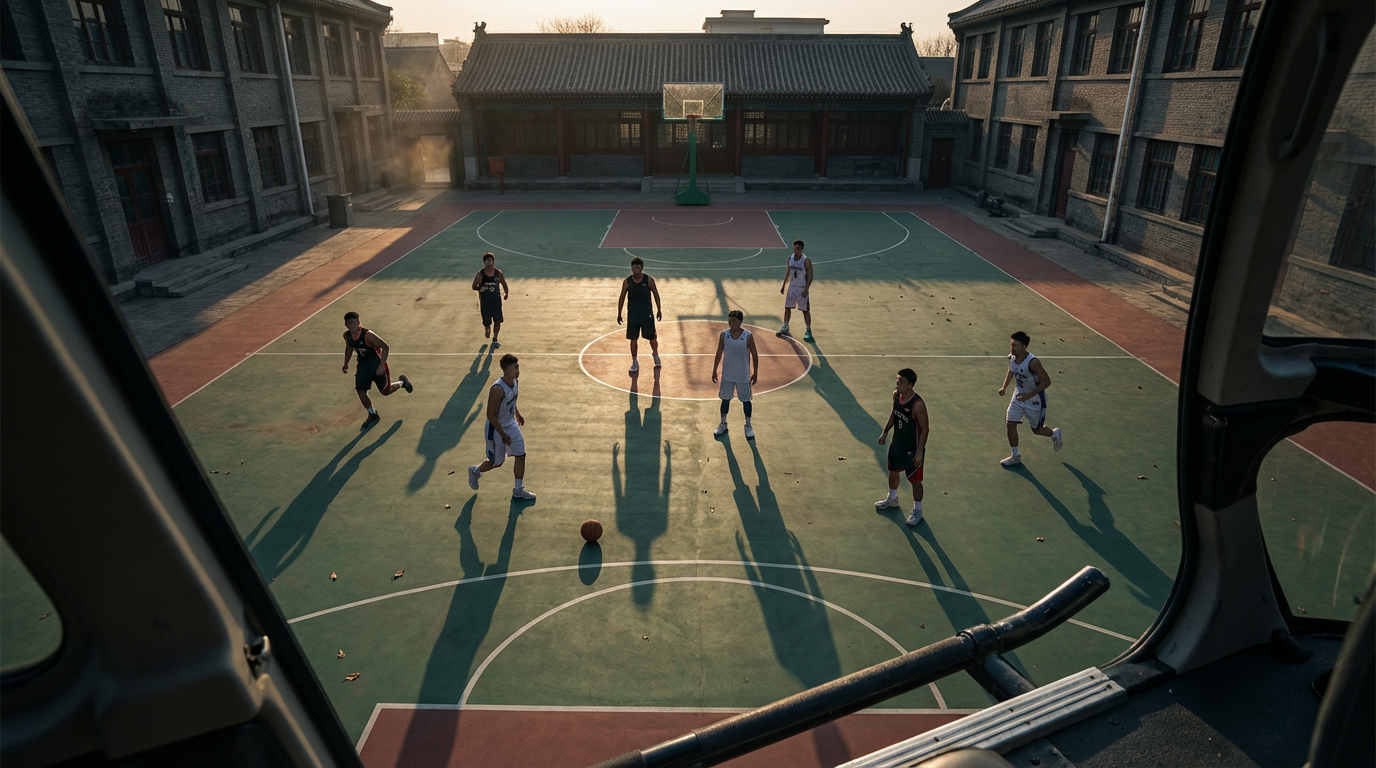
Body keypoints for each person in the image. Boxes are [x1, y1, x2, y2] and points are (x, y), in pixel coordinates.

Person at [468, 354, 536, 500]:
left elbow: (511, 400)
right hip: (496, 428)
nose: (517, 370)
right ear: (505, 370)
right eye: (514, 368)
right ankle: (475, 471)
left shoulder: (515, 382)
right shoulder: (497, 389)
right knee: (496, 462)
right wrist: (503, 435)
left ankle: (518, 489)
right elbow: (490, 415)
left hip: (510, 424)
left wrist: (517, 414)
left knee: (521, 454)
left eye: (518, 367)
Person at [998, 331, 1062, 466]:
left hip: (1035, 401)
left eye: (1015, 345)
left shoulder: (1033, 363)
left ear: (1024, 347)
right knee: (1010, 423)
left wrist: (1028, 396)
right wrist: (1004, 387)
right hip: (1018, 397)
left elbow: (1047, 382)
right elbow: (1011, 371)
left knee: (1037, 430)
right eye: (1011, 345)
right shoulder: (1012, 358)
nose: (1012, 348)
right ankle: (1015, 455)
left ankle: (1054, 434)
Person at [876, 368, 929, 525]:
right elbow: (894, 413)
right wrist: (885, 431)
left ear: (910, 385)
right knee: (893, 471)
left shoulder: (918, 405)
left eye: (901, 381)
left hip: (912, 449)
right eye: (897, 379)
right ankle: (892, 499)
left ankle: (917, 510)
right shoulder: (896, 396)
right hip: (897, 444)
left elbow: (925, 428)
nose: (897, 383)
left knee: (914, 480)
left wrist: (920, 452)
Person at [341, 311, 412, 428]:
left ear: (358, 322)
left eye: (354, 323)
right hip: (363, 367)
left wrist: (382, 365)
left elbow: (385, 347)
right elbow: (349, 348)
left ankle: (402, 382)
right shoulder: (347, 336)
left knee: (386, 391)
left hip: (377, 365)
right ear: (346, 325)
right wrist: (346, 364)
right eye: (349, 324)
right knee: (360, 390)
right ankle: (372, 414)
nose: (352, 326)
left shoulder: (368, 335)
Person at [711, 310, 760, 439]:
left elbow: (755, 355)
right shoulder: (724, 335)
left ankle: (748, 425)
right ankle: (723, 423)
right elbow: (719, 352)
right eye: (729, 320)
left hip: (743, 375)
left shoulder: (748, 336)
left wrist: (755, 372)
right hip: (727, 375)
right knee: (725, 399)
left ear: (740, 321)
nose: (731, 323)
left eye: (734, 321)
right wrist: (714, 369)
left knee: (746, 401)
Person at [616, 256, 663, 375]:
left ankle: (655, 354)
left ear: (642, 268)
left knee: (652, 338)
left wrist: (659, 309)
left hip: (647, 315)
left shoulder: (649, 280)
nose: (636, 270)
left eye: (638, 268)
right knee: (633, 339)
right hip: (633, 315)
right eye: (634, 268)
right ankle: (634, 361)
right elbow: (621, 298)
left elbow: (656, 294)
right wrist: (619, 313)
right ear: (631, 268)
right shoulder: (627, 282)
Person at [471, 252, 509, 349]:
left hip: (496, 301)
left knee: (498, 321)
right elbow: (474, 286)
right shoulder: (480, 274)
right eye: (487, 260)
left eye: (490, 260)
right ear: (484, 262)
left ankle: (495, 338)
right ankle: (487, 329)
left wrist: (506, 293)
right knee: (487, 322)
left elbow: (504, 283)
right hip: (485, 302)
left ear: (493, 261)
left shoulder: (498, 273)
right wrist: (480, 288)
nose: (489, 262)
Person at [778, 239, 814, 342]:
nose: (796, 250)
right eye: (794, 248)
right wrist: (784, 285)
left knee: (805, 310)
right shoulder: (791, 258)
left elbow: (810, 275)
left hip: (802, 288)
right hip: (792, 287)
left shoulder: (806, 260)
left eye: (798, 249)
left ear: (802, 249)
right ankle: (785, 326)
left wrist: (806, 288)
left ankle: (808, 330)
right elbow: (788, 272)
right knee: (787, 307)